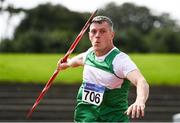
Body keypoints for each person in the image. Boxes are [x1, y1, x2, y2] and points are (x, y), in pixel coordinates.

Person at [57, 16, 149, 122]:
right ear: (89, 36)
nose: (97, 36)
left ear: (112, 35)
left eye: (103, 31)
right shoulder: (89, 54)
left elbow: (141, 81)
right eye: (94, 31)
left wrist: (140, 101)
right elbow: (77, 60)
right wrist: (66, 64)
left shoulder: (120, 60)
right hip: (85, 118)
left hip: (112, 119)